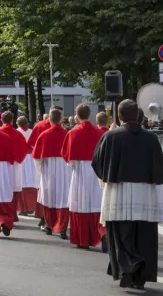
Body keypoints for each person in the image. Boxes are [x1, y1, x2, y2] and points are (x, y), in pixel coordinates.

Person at [92, 99, 163, 289]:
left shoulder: (111, 136)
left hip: (118, 191)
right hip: (146, 193)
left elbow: (97, 163)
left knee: (121, 232)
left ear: (120, 116)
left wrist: (106, 179)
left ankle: (128, 268)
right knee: (145, 234)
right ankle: (141, 276)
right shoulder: (151, 138)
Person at [60, 103, 105, 250]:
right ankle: (100, 235)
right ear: (89, 115)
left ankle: (82, 239)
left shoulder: (73, 133)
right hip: (96, 172)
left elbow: (68, 158)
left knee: (80, 204)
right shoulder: (99, 133)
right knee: (96, 203)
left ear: (77, 115)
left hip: (80, 172)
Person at [33, 109, 70, 239]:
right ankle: (62, 228)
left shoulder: (44, 135)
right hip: (64, 170)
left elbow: (37, 156)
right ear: (60, 119)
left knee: (49, 197)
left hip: (48, 168)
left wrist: (40, 170)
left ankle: (49, 225)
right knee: (63, 198)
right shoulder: (66, 134)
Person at [0, 111, 29, 220]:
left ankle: (5, 214)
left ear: (1, 120)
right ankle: (13, 213)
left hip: (1, 166)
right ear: (12, 120)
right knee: (14, 190)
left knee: (3, 189)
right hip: (15, 165)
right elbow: (24, 148)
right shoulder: (18, 134)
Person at [16, 116, 39, 215]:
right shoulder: (32, 131)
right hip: (31, 159)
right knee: (32, 182)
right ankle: (32, 206)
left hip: (22, 158)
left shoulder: (17, 132)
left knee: (22, 182)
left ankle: (23, 208)